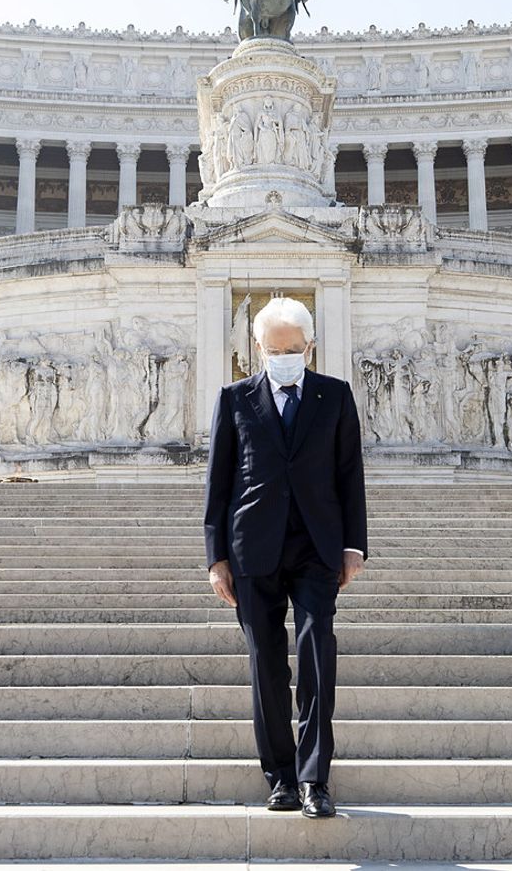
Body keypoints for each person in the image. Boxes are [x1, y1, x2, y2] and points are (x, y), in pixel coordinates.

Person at [202, 296, 368, 818]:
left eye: (293, 350)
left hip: (317, 545)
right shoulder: (234, 398)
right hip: (254, 546)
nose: (284, 357)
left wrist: (353, 545)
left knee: (319, 653)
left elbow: (350, 475)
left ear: (310, 347)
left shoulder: (335, 397)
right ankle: (280, 777)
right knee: (266, 666)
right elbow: (219, 482)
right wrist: (215, 558)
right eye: (275, 350)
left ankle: (315, 778)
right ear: (258, 348)